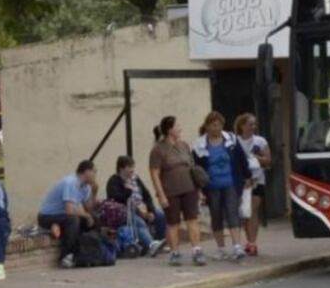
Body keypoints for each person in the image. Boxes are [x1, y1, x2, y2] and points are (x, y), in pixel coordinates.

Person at [193, 111, 251, 261]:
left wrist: (247, 176)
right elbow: (196, 168)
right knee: (216, 215)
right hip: (211, 186)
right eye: (213, 125)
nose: (216, 128)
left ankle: (237, 247)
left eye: (219, 125)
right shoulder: (199, 145)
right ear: (207, 126)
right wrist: (199, 189)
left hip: (230, 182)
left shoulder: (231, 139)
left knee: (232, 213)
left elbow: (241, 158)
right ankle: (221, 248)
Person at [150, 116, 206, 267]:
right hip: (170, 191)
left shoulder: (184, 145)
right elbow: (154, 174)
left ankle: (197, 250)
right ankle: (175, 253)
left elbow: (192, 168)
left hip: (189, 188)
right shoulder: (158, 149)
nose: (180, 128)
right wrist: (161, 195)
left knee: (192, 219)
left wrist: (199, 190)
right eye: (177, 126)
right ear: (170, 130)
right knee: (173, 222)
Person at [37, 160, 99, 268]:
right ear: (86, 172)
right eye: (94, 171)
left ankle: (87, 251)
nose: (95, 175)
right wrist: (86, 215)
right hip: (47, 216)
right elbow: (69, 210)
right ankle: (65, 256)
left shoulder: (86, 187)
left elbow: (88, 209)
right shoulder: (71, 182)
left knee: (95, 218)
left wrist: (94, 193)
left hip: (62, 216)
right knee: (73, 220)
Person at [106, 155, 164, 257]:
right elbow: (116, 198)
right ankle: (152, 245)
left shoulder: (136, 179)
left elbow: (146, 195)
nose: (132, 169)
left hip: (143, 209)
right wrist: (128, 190)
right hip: (126, 212)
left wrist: (150, 210)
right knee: (139, 222)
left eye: (133, 166)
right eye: (129, 167)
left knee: (160, 215)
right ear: (121, 168)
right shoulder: (114, 181)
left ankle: (158, 242)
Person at [235, 112, 272, 256]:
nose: (253, 127)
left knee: (253, 210)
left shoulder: (260, 141)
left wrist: (256, 158)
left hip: (257, 180)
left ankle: (252, 243)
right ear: (242, 126)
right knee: (244, 212)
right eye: (250, 124)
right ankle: (247, 240)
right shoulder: (235, 141)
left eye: (254, 124)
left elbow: (268, 161)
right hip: (241, 182)